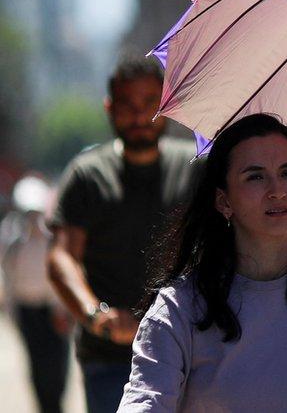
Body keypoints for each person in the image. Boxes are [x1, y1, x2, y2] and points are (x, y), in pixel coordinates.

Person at [118, 113, 287, 412]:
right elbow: (145, 400)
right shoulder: (179, 308)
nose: (277, 190)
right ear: (223, 201)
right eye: (255, 176)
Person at [46, 55, 200, 413]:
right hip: (110, 360)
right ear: (109, 108)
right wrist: (96, 317)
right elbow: (62, 257)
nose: (139, 117)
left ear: (166, 107)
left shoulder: (197, 167)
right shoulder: (87, 175)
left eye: (150, 105)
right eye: (128, 106)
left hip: (187, 352)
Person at [0, 176, 70, 413]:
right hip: (27, 311)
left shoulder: (53, 235)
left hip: (53, 311)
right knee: (37, 364)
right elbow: (8, 276)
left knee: (57, 364)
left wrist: (62, 308)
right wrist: (12, 312)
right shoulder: (10, 236)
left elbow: (61, 274)